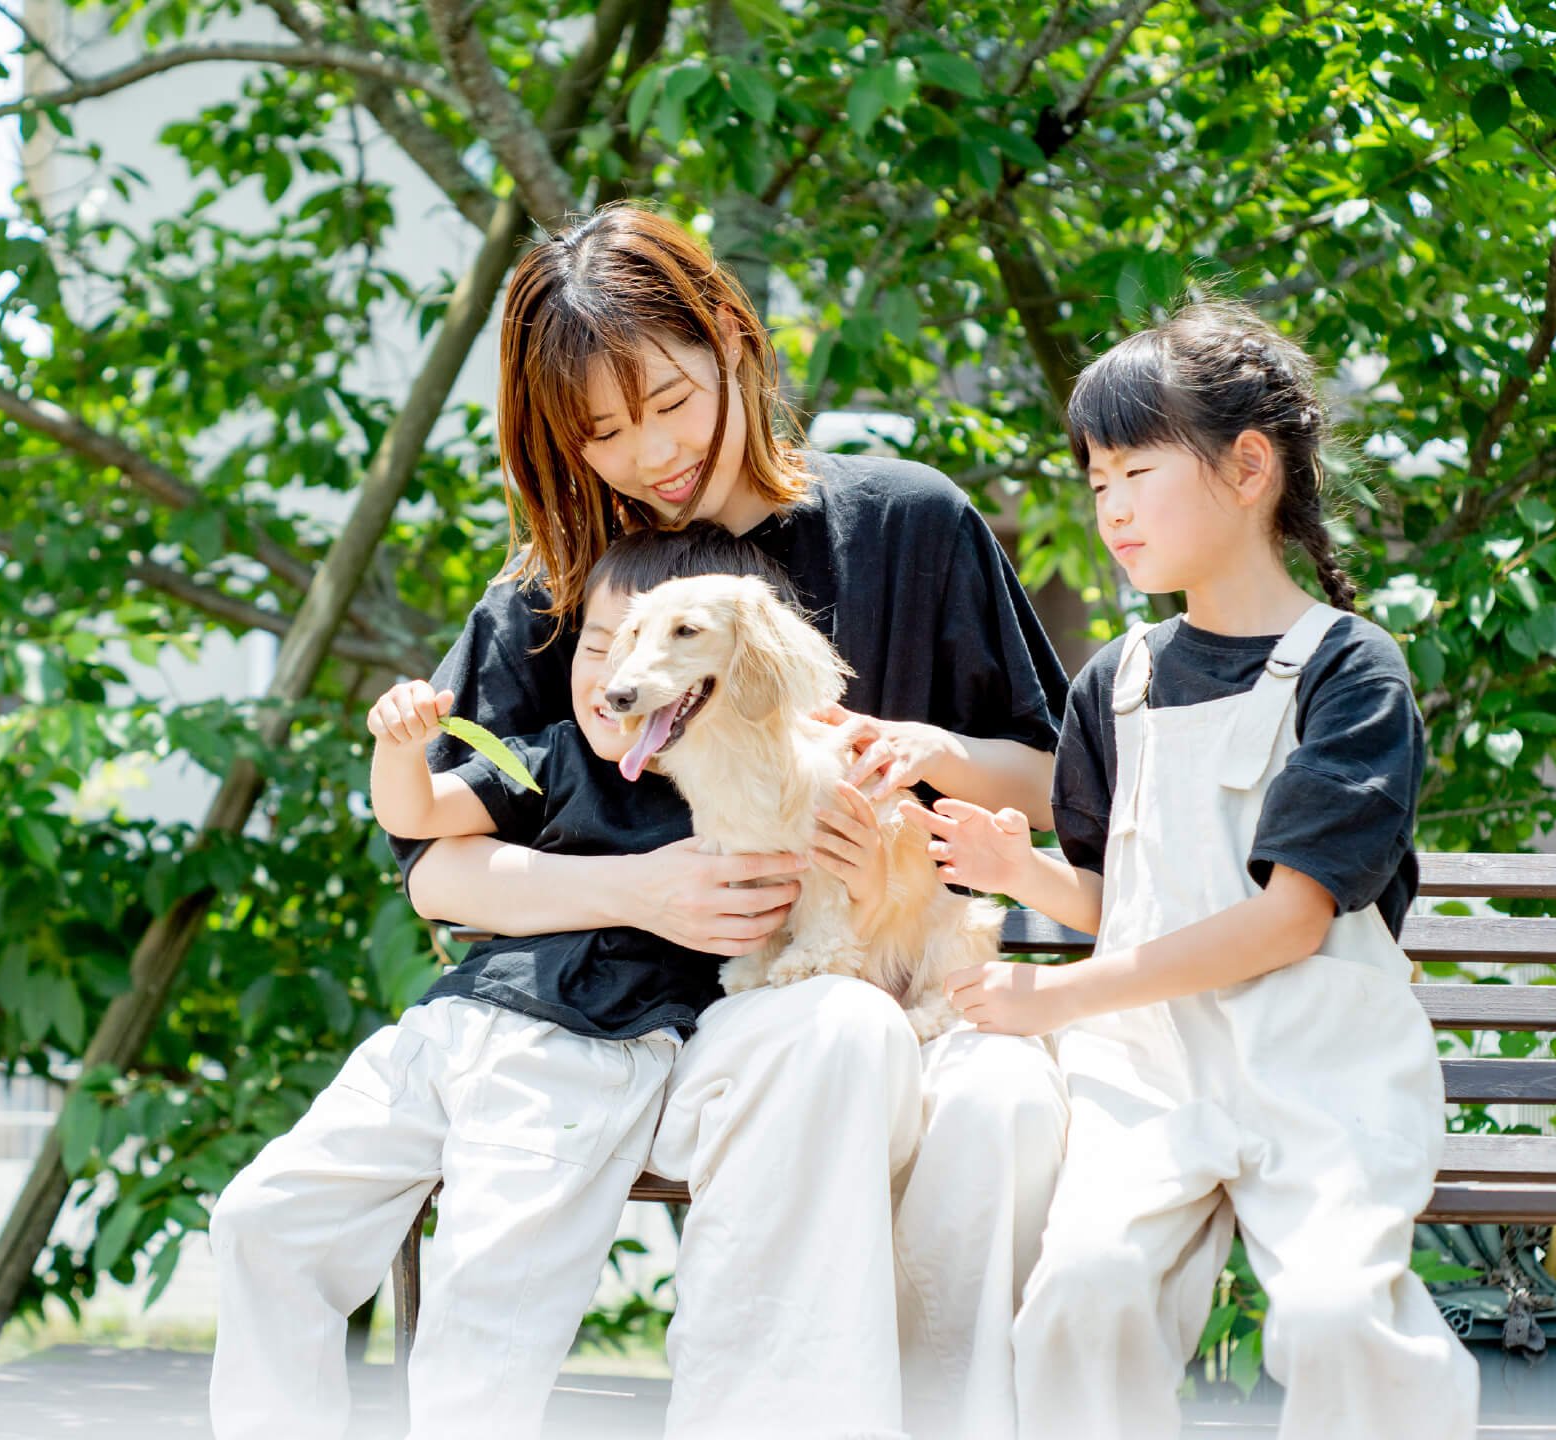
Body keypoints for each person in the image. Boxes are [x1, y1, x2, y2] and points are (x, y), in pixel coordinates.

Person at [398, 203, 1073, 1440]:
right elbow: (442, 872)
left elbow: (1059, 788)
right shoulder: (562, 595)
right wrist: (647, 890)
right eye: (597, 433)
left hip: (926, 972)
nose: (646, 456)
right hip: (693, 1027)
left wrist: (939, 757)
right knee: (835, 1037)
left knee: (1008, 1106)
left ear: (729, 336)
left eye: (665, 400)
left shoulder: (913, 523)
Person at [917, 300, 1479, 1438]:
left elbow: (1285, 922)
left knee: (1335, 1318)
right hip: (1150, 1077)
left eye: (1136, 471)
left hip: (1319, 1073)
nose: (1111, 508)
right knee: (1083, 1298)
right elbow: (1133, 907)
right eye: (1095, 483)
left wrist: (1059, 993)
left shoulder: (1349, 669)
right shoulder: (1111, 684)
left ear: (1250, 468)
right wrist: (1023, 875)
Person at [208, 525, 806, 1440]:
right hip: (443, 1033)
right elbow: (417, 815)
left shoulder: (752, 788)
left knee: (483, 1312)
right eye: (603, 647)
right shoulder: (555, 752)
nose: (624, 675)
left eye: (671, 646)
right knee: (263, 1222)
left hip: (580, 1055)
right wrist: (399, 745)